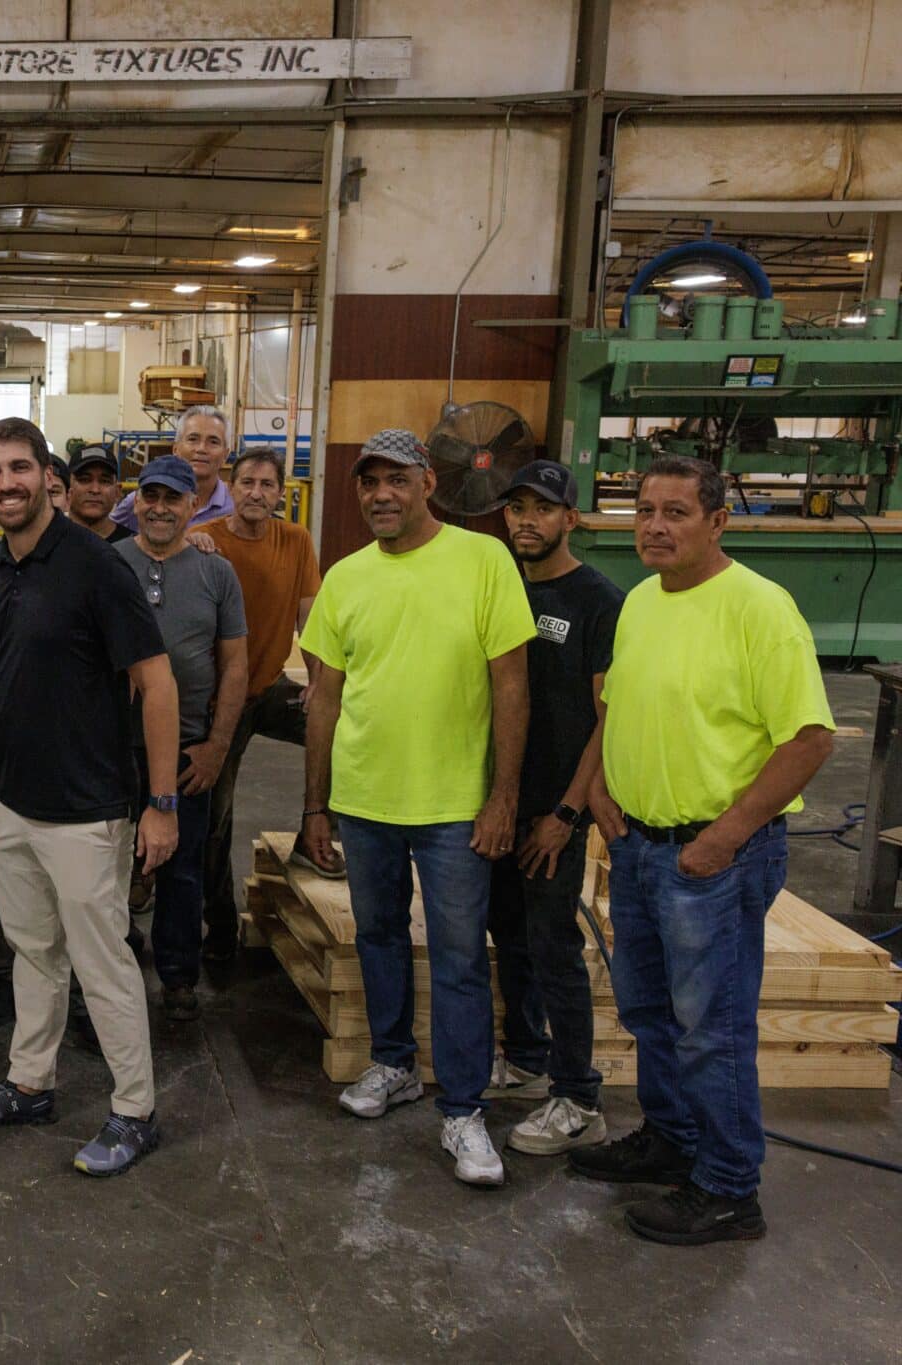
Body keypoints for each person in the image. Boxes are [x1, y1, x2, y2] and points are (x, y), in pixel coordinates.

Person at [0, 417, 181, 1178]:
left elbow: (155, 682)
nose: (7, 483)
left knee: (101, 962)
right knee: (33, 952)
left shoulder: (95, 565)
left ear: (47, 476)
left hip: (88, 810)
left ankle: (135, 1109)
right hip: (13, 802)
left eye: (20, 467)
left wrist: (160, 801)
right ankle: (30, 1083)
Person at [572, 455, 834, 1245]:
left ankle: (726, 1186)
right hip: (643, 847)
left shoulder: (760, 607)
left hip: (713, 857)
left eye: (677, 512)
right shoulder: (643, 601)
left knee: (711, 1026)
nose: (655, 525)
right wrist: (602, 790)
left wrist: (727, 834)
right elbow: (618, 702)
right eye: (645, 509)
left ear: (718, 521)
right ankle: (672, 1140)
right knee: (652, 1011)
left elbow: (811, 736)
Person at [299, 428, 534, 1188]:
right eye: (369, 483)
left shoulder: (483, 560)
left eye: (395, 480)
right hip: (365, 799)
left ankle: (463, 1109)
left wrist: (502, 796)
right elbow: (325, 699)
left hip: (453, 807)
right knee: (378, 935)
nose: (381, 495)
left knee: (462, 958)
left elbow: (511, 685)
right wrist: (316, 805)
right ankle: (394, 1063)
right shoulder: (345, 577)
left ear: (428, 482)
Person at [481, 461, 625, 1154]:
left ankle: (577, 1096)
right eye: (517, 508)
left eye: (543, 508)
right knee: (509, 932)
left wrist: (568, 814)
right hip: (501, 798)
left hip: (554, 808)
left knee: (554, 946)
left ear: (571, 517)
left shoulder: (598, 600)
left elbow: (608, 717)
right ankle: (526, 1059)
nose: (526, 521)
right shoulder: (498, 584)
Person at [114, 456, 248, 1023]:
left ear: (195, 506)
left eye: (173, 499)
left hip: (189, 747)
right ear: (137, 502)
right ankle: (112, 973)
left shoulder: (217, 573)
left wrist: (218, 745)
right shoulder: (109, 564)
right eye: (152, 496)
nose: (161, 508)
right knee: (109, 867)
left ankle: (177, 977)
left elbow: (235, 665)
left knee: (182, 868)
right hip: (114, 750)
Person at [202, 447, 331, 974]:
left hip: (272, 687)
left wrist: (321, 683)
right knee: (216, 817)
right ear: (232, 486)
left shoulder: (295, 541)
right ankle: (218, 926)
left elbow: (311, 619)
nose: (256, 492)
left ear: (281, 493)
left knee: (344, 736)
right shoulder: (205, 538)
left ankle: (314, 834)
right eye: (247, 482)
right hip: (219, 702)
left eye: (267, 485)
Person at [108, 407, 235, 535]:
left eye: (213, 442)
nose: (201, 448)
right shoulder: (142, 502)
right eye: (193, 439)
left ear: (226, 455)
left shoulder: (236, 506)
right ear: (176, 449)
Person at [66, 445, 129, 541]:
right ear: (68, 489)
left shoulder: (132, 548)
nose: (95, 490)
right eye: (84, 480)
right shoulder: (45, 542)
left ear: (117, 492)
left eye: (104, 481)